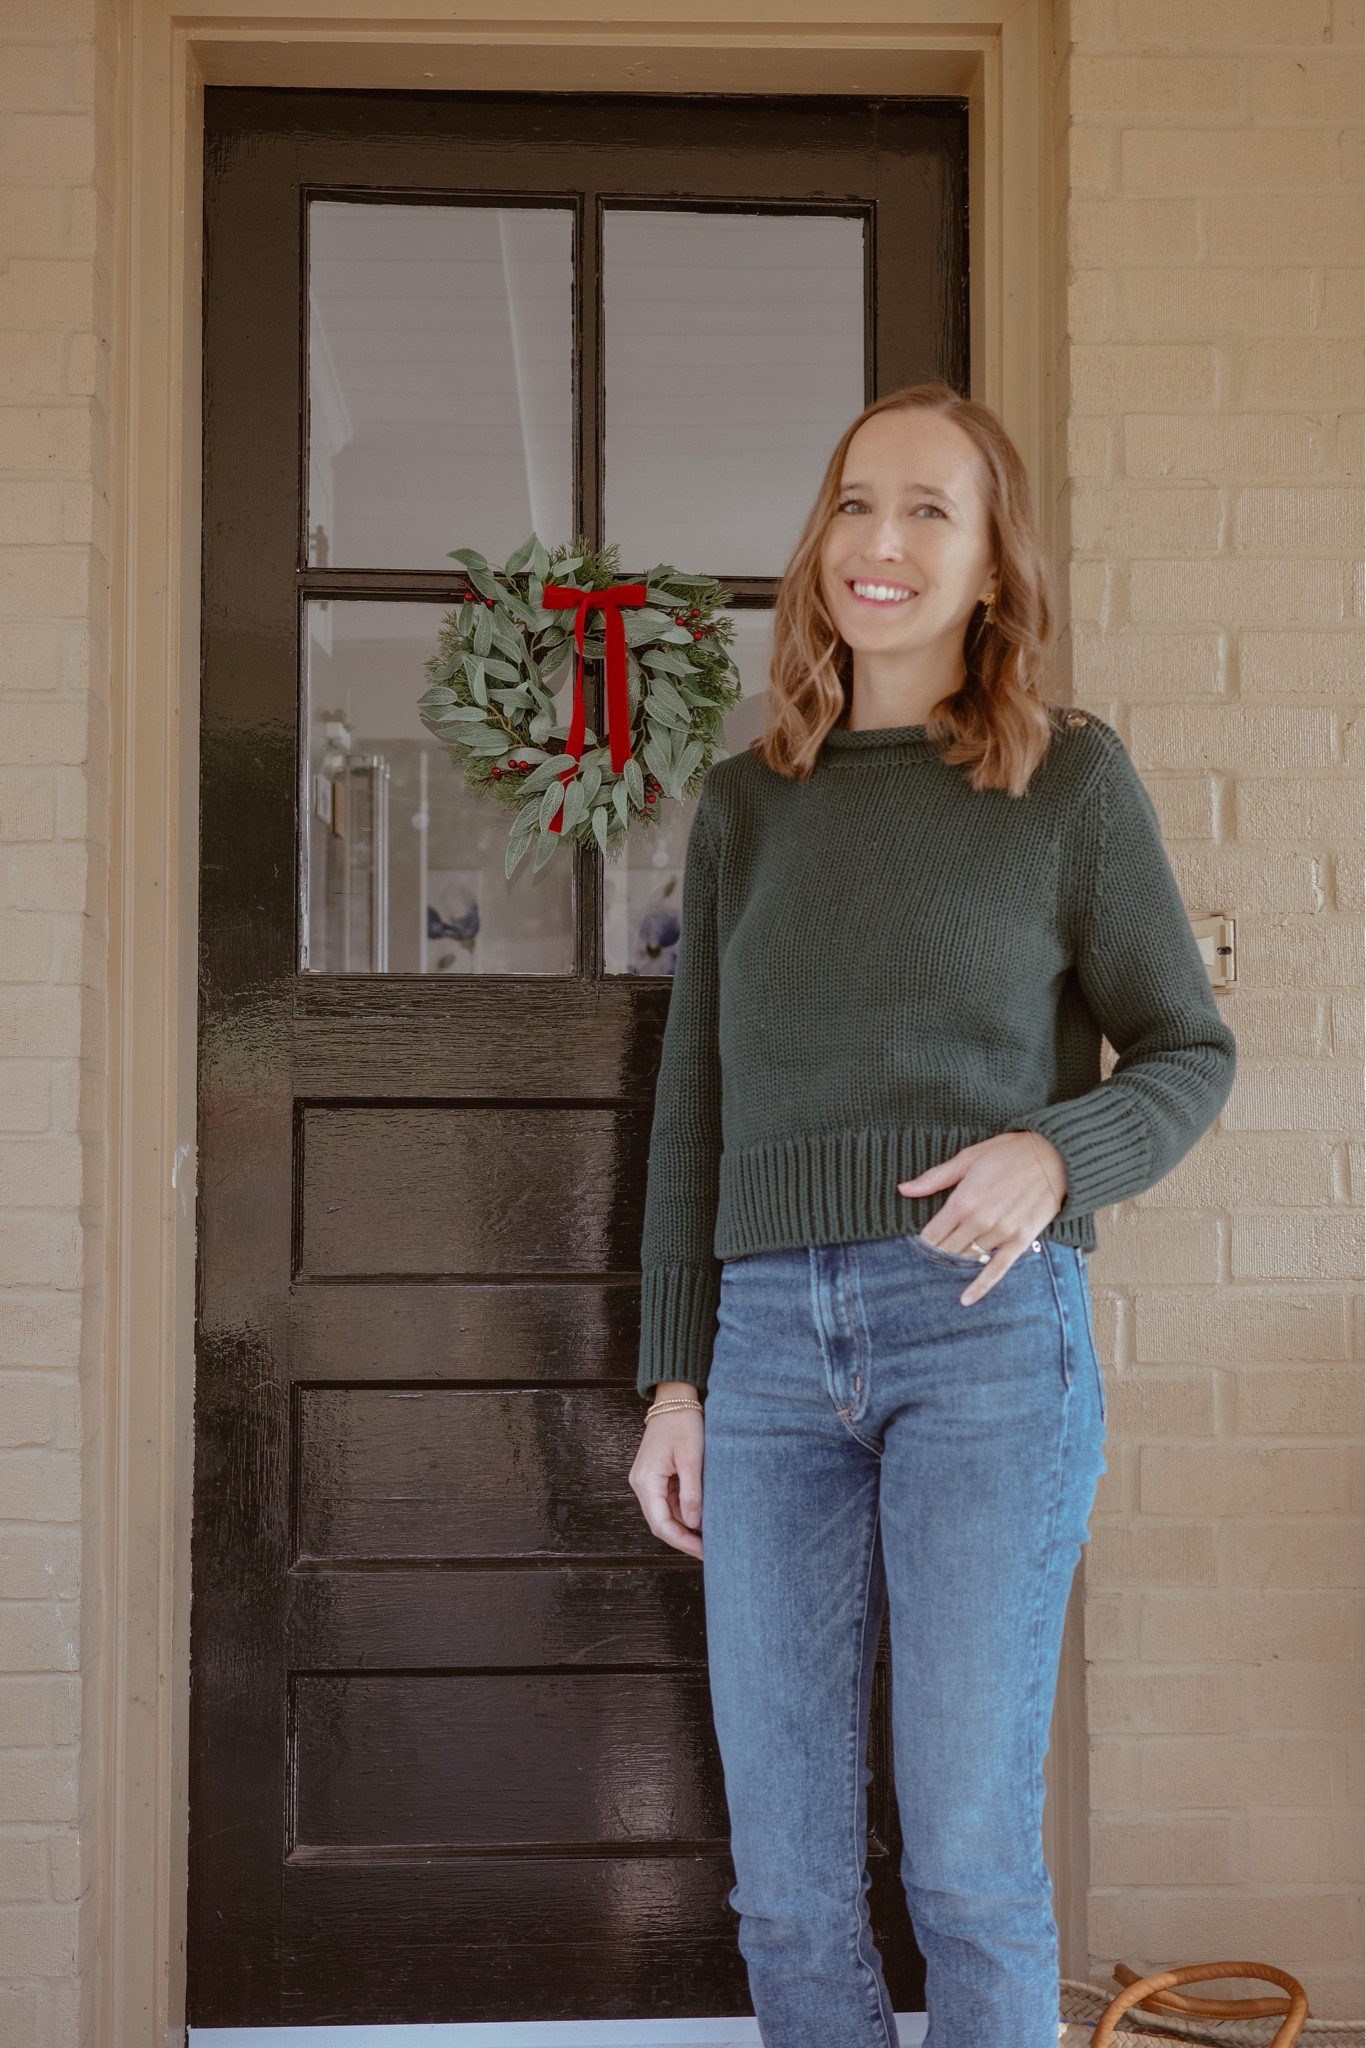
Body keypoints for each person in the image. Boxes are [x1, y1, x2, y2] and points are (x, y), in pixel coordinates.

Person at [628, 383, 1236, 2048]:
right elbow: (695, 1108)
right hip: (760, 1356)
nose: (877, 544)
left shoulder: (1065, 781)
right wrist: (673, 1382)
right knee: (787, 1888)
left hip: (975, 1339)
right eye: (851, 504)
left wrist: (1058, 1156)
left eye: (926, 512)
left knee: (967, 1866)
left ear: (988, 566)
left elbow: (1186, 1046)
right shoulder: (749, 801)